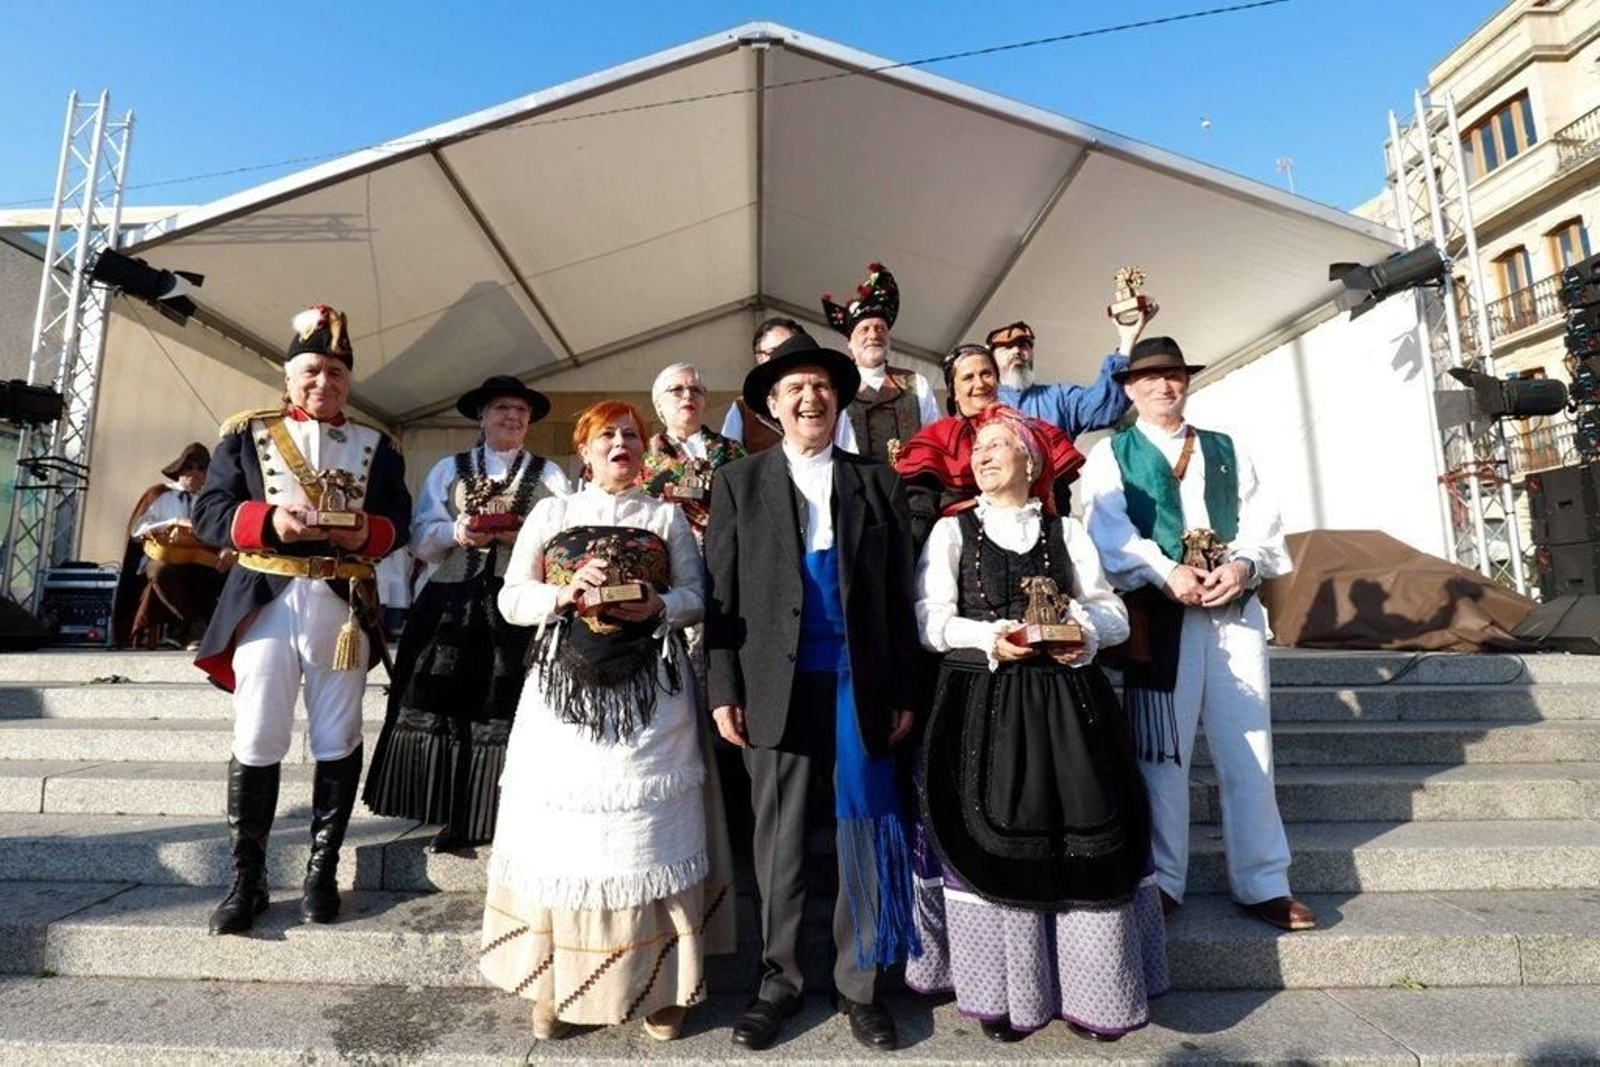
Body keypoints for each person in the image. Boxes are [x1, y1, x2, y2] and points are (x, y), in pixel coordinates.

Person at [905, 405, 1167, 1043]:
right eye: (977, 449)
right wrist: (995, 637)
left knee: (1084, 835)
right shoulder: (950, 534)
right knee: (995, 834)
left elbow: (1115, 615)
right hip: (982, 707)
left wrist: (1081, 629)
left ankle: (1095, 993)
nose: (983, 456)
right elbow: (928, 619)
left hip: (1070, 704)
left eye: (998, 445)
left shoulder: (1068, 532)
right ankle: (1008, 995)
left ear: (1031, 460)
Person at [478, 401, 734, 1043]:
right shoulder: (552, 513)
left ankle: (660, 987)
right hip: (565, 697)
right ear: (585, 453)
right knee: (569, 838)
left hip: (652, 697)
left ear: (644, 452)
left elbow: (698, 598)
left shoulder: (665, 515)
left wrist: (659, 603)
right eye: (607, 436)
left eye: (630, 435)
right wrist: (563, 594)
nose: (621, 443)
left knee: (646, 835)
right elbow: (511, 599)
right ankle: (557, 986)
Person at [704, 332, 922, 1053]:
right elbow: (719, 593)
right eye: (793, 388)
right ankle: (780, 981)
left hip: (858, 682)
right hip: (775, 682)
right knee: (780, 841)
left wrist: (901, 688)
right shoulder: (740, 482)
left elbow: (896, 596)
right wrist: (723, 685)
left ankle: (861, 986)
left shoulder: (875, 482)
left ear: (838, 399)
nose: (810, 397)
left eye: (821, 386)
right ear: (771, 404)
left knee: (864, 832)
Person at [1081, 336, 1313, 932]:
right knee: (1162, 756)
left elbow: (1266, 526)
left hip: (1233, 615)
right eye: (1152, 377)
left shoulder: (1226, 448)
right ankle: (1162, 882)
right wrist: (1166, 572)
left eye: (1175, 375)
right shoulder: (1113, 454)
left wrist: (1242, 568)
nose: (1166, 385)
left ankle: (1264, 882)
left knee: (1249, 749)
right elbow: (1108, 532)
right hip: (1159, 621)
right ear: (1130, 388)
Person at [193, 304, 411, 936]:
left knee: (337, 737)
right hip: (266, 600)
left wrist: (366, 532)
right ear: (289, 377)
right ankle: (248, 879)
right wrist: (270, 522)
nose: (325, 383)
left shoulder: (377, 445)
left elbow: (396, 520)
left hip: (340, 608)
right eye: (313, 370)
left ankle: (321, 872)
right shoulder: (244, 433)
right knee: (258, 736)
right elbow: (212, 514)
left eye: (337, 374)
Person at [363, 375, 570, 854]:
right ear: (482, 417)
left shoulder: (551, 473)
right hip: (452, 598)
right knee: (446, 697)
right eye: (502, 409)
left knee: (509, 702)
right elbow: (421, 534)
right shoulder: (448, 468)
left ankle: (512, 811)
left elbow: (565, 532)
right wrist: (458, 532)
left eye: (520, 411)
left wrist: (525, 535)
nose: (512, 417)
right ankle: (451, 811)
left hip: (519, 602)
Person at [896, 343, 1085, 549]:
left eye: (986, 374)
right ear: (954, 392)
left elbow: (1059, 502)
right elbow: (919, 517)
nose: (980, 383)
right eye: (968, 377)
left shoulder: (1032, 431)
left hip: (1034, 546)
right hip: (961, 554)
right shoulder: (935, 440)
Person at [114, 442, 229, 649]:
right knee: (162, 570)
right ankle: (194, 625)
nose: (194, 473)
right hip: (166, 558)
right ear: (179, 470)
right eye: (189, 467)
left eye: (201, 468)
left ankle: (198, 633)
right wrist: (172, 522)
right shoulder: (159, 494)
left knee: (229, 575)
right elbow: (137, 530)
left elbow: (225, 532)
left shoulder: (212, 501)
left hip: (203, 560)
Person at [821, 262, 940, 463]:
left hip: (911, 489)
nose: (873, 335)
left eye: (880, 328)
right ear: (849, 342)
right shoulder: (837, 389)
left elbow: (935, 439)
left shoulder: (916, 383)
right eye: (864, 329)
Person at [989, 312, 1151, 440]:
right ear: (991, 358)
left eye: (1023, 346)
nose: (1016, 351)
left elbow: (1103, 408)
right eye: (1006, 347)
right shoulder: (981, 403)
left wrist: (1127, 340)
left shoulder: (1059, 398)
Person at [639, 362, 745, 536]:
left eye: (696, 390)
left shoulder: (731, 449)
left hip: (726, 548)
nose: (688, 395)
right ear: (658, 403)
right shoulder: (644, 455)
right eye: (677, 390)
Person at [721, 317, 835, 453]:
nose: (783, 355)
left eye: (790, 348)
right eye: (773, 352)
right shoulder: (742, 408)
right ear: (759, 358)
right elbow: (729, 457)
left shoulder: (829, 405)